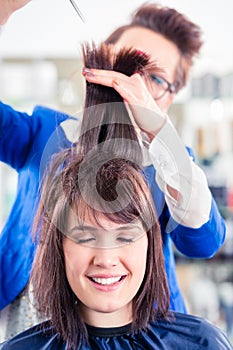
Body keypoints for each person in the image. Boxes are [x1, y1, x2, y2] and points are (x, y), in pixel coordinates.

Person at [0, 0, 226, 335]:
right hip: (33, 324)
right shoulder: (43, 131)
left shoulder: (173, 164)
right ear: (99, 64)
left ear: (170, 96)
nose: (133, 84)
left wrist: (160, 134)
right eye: (126, 65)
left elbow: (205, 241)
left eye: (155, 79)